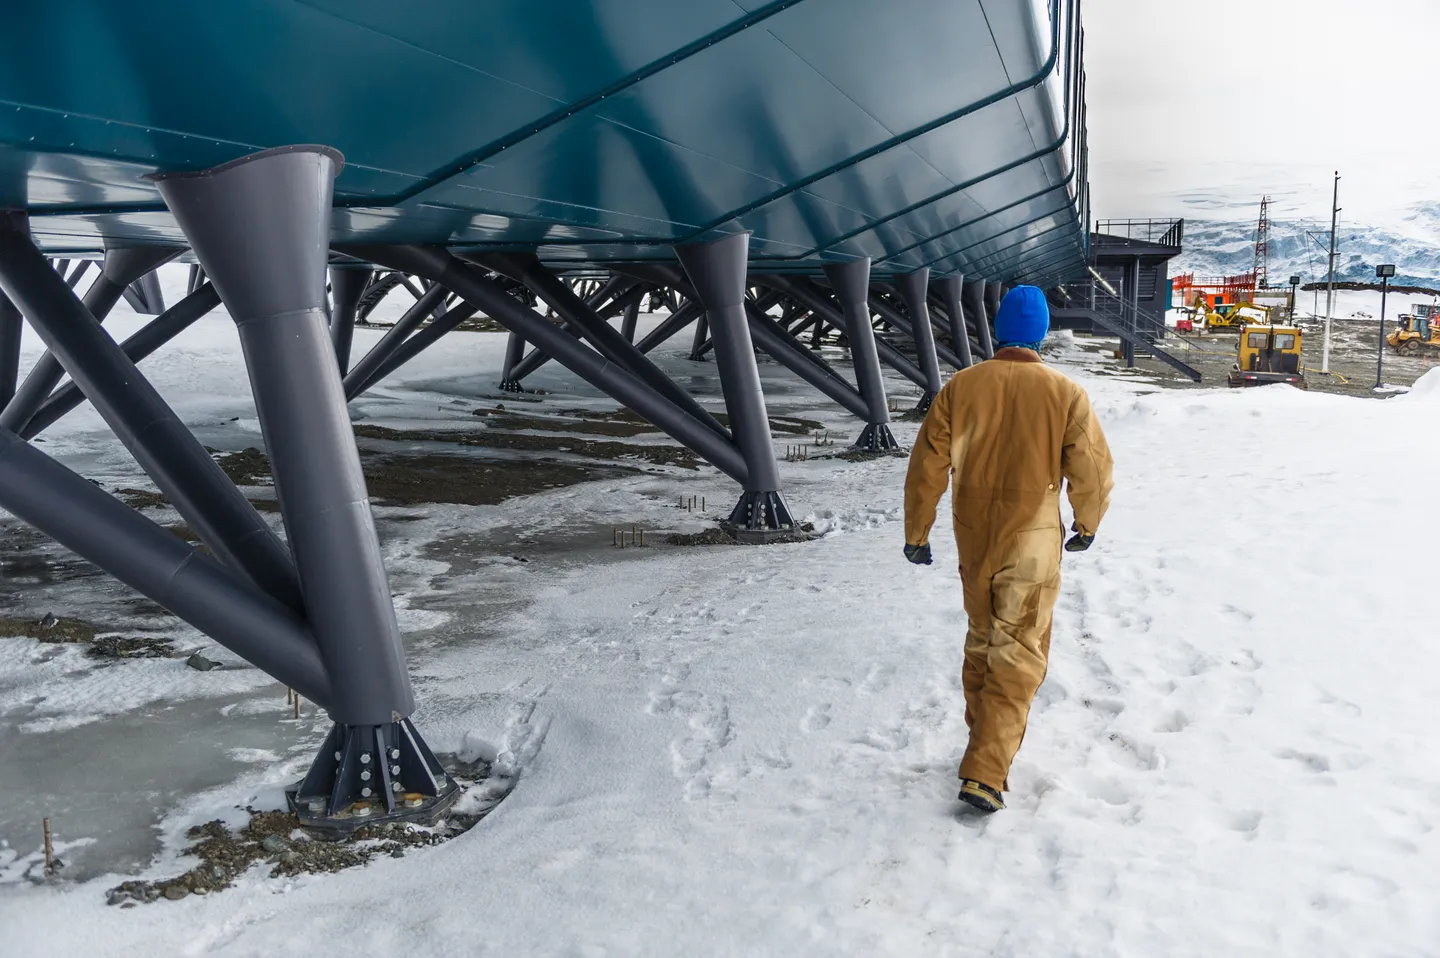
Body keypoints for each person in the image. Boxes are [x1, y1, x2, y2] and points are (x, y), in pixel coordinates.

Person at [902, 286, 1114, 813]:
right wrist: (1086, 522)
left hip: (973, 534)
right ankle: (986, 771)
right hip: (1033, 537)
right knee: (1018, 649)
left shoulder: (961, 387)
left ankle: (983, 747)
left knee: (982, 639)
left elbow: (927, 467)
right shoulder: (1065, 393)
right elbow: (1091, 466)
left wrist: (917, 533)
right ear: (1040, 332)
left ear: (998, 331)